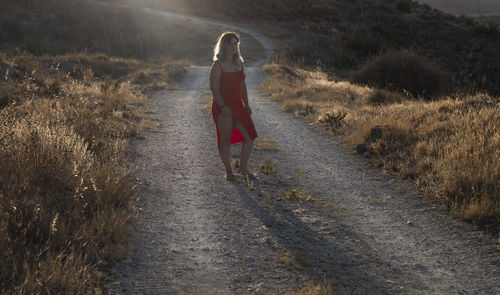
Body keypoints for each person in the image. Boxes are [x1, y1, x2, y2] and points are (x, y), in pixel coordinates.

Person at [209, 32, 258, 181]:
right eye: (230, 43)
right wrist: (223, 106)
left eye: (235, 43)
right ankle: (229, 171)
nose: (233, 46)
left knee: (250, 137)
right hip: (222, 107)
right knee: (225, 139)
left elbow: (243, 86)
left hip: (238, 106)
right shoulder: (218, 64)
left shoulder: (239, 63)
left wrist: (247, 105)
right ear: (224, 45)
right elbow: (213, 88)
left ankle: (243, 169)